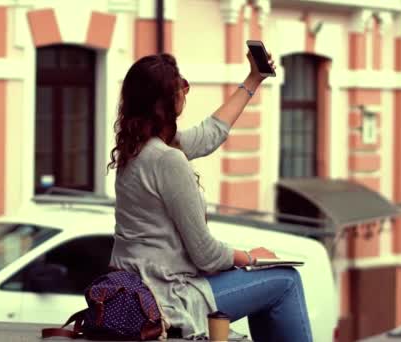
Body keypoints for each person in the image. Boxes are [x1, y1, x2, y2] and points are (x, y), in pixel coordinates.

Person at [106, 51, 313, 342]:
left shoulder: (137, 150)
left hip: (142, 290)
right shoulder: (167, 160)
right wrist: (253, 258)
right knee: (285, 280)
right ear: (167, 100)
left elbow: (210, 133)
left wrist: (254, 79)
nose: (185, 93)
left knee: (269, 284)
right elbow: (205, 255)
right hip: (170, 298)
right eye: (183, 86)